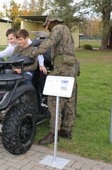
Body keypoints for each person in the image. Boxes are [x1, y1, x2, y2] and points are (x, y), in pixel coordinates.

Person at [32, 16, 80, 145]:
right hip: (71, 66)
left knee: (54, 100)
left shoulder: (58, 28)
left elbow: (49, 43)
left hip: (62, 67)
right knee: (69, 99)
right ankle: (66, 130)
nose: (46, 28)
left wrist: (35, 52)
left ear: (49, 22)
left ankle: (53, 133)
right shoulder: (66, 30)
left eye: (46, 26)